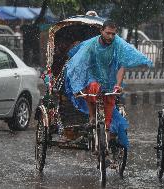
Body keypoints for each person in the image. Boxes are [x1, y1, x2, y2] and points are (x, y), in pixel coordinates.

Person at [65, 20, 152, 151]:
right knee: (92, 88)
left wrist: (117, 85)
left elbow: (121, 66)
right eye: (108, 33)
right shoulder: (91, 45)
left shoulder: (118, 43)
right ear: (101, 31)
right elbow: (78, 64)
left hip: (109, 78)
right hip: (92, 75)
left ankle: (107, 138)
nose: (110, 37)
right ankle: (92, 116)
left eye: (113, 34)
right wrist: (78, 87)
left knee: (109, 109)